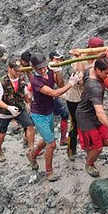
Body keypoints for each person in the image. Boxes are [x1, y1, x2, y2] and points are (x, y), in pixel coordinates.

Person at [26, 53, 81, 182]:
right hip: (38, 114)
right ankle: (49, 172)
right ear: (34, 68)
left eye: (44, 67)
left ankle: (32, 154)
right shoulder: (36, 81)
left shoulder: (49, 71)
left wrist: (57, 72)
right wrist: (71, 83)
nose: (43, 70)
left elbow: (60, 84)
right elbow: (54, 93)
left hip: (48, 111)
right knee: (51, 144)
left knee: (46, 139)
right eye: (39, 68)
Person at [76, 57, 108, 177]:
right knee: (98, 148)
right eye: (106, 73)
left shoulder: (89, 70)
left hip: (93, 113)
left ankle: (90, 148)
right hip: (85, 117)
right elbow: (100, 113)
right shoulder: (95, 87)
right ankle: (90, 163)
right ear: (98, 70)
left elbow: (81, 76)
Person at [64, 36, 105, 161]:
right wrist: (79, 58)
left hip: (88, 98)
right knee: (75, 125)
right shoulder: (78, 59)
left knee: (90, 124)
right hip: (75, 98)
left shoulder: (98, 61)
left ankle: (90, 148)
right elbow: (80, 81)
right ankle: (71, 149)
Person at [0, 58, 35, 162]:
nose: (18, 72)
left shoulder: (22, 78)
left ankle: (31, 149)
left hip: (19, 108)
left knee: (29, 126)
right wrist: (8, 107)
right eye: (16, 70)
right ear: (9, 68)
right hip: (5, 112)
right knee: (2, 133)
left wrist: (29, 103)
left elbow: (25, 93)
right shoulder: (2, 82)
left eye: (19, 70)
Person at [48, 51, 69, 146]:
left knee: (64, 114)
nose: (59, 61)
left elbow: (60, 84)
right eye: (56, 59)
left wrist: (57, 71)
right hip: (44, 98)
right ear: (51, 60)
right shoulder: (45, 70)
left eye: (59, 59)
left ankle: (63, 139)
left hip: (52, 97)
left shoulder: (54, 70)